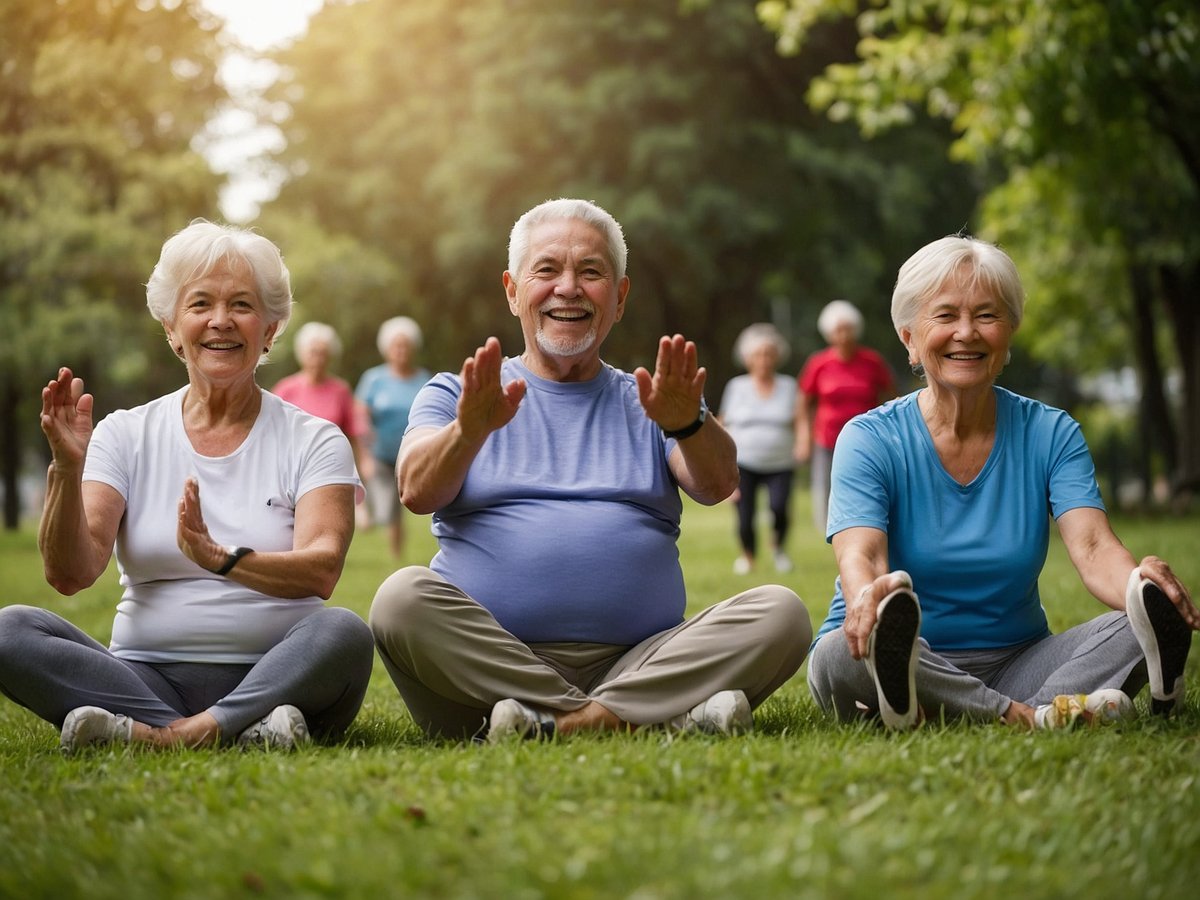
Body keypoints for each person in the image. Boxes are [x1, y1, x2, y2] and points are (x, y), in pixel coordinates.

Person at [368, 198, 811, 741]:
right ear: (512, 291)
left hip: (640, 658)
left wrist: (689, 424)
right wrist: (468, 431)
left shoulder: (651, 400)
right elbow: (415, 489)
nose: (569, 288)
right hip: (490, 664)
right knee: (399, 599)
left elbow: (718, 485)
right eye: (547, 269)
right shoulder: (459, 394)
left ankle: (558, 723)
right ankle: (649, 717)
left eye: (591, 272)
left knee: (781, 613)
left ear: (619, 298)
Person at [0, 220, 375, 752]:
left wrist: (221, 557)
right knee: (9, 630)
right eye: (200, 304)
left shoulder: (314, 438)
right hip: (142, 677)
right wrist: (66, 467)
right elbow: (69, 573)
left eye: (242, 305)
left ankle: (160, 734)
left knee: (345, 633)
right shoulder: (125, 432)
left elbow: (322, 568)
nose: (220, 321)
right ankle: (233, 731)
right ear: (172, 328)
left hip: (278, 666)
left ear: (270, 330)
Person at [807, 235, 1198, 731]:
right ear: (908, 337)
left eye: (987, 316)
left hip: (1018, 658)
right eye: (945, 316)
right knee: (842, 652)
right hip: (902, 654)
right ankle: (1031, 715)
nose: (966, 333)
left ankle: (970, 710)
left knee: (1128, 627)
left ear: (1009, 332)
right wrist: (868, 598)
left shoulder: (1051, 432)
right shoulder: (868, 437)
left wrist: (1142, 593)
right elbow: (862, 555)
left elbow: (1095, 546)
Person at [797, 299, 895, 532]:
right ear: (829, 333)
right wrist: (803, 437)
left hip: (866, 437)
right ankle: (830, 530)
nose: (843, 335)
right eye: (838, 330)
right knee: (825, 487)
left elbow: (891, 395)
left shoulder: (872, 361)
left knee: (867, 483)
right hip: (827, 437)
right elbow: (803, 402)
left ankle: (865, 525)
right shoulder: (819, 363)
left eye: (848, 329)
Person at [718, 323, 799, 575]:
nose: (763, 360)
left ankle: (778, 550)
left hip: (781, 462)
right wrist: (721, 462)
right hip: (743, 462)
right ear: (747, 359)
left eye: (768, 353)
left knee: (779, 508)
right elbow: (722, 423)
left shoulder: (789, 386)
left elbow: (800, 420)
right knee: (745, 515)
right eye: (758, 354)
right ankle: (748, 556)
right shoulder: (737, 387)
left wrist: (803, 443)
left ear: (776, 357)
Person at [355, 316, 430, 558]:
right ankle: (361, 512)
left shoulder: (423, 379)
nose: (401, 350)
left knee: (398, 509)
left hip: (410, 455)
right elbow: (360, 415)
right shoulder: (374, 379)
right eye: (396, 346)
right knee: (385, 508)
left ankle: (396, 556)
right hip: (379, 452)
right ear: (387, 349)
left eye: (405, 345)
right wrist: (364, 452)